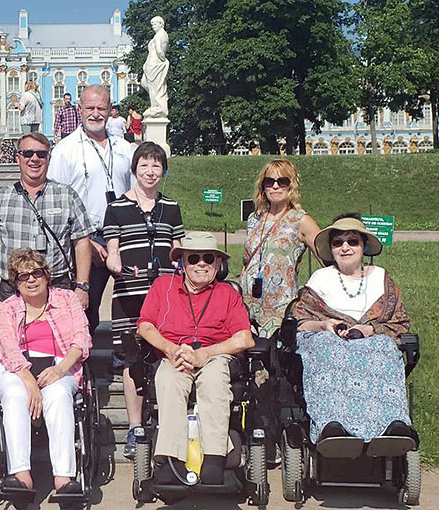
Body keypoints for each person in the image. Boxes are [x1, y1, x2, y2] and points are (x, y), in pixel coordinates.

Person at [137, 232, 254, 485]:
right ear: (182, 263)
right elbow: (145, 326)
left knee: (214, 378)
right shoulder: (162, 287)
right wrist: (169, 349)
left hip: (214, 355)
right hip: (175, 353)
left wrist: (205, 354)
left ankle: (214, 458)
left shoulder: (227, 293)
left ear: (217, 264)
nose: (201, 263)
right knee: (169, 378)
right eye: (194, 259)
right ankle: (170, 459)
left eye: (208, 258)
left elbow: (245, 338)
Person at [293, 214, 414, 444]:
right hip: (329, 340)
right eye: (338, 242)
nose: (345, 247)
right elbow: (299, 322)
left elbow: (398, 324)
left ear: (363, 246)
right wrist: (324, 325)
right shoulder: (321, 278)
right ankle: (332, 426)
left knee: (384, 346)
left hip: (370, 339)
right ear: (331, 248)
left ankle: (392, 424)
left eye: (352, 241)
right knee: (327, 346)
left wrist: (369, 330)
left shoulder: (381, 278)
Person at [0, 248, 91, 494]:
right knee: (15, 394)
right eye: (23, 276)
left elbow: (82, 339)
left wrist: (61, 368)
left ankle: (64, 479)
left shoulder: (67, 299)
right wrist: (29, 381)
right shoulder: (8, 308)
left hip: (59, 364)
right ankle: (21, 476)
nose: (31, 280)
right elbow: (7, 347)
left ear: (47, 275)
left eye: (36, 273)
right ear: (15, 282)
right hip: (14, 368)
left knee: (58, 395)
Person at [103, 142, 183, 458]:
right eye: (144, 165)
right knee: (130, 359)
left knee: (165, 354)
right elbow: (112, 251)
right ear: (135, 169)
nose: (150, 172)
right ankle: (136, 427)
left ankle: (167, 424)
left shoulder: (172, 207)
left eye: (156, 166)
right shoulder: (116, 208)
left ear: (163, 171)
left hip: (165, 296)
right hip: (129, 295)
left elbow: (178, 250)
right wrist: (115, 264)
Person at [0, 132, 94, 320]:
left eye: (41, 154)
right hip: (13, 289)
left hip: (57, 287)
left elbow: (82, 242)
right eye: (28, 153)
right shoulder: (0, 198)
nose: (35, 159)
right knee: (12, 346)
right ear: (18, 158)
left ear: (49, 158)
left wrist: (82, 286)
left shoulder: (67, 195)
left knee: (61, 346)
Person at [47, 84, 134, 334]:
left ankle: (128, 367)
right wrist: (84, 243)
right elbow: (57, 203)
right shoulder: (66, 149)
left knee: (130, 306)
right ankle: (82, 369)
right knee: (85, 311)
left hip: (122, 236)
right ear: (79, 109)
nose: (96, 113)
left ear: (110, 110)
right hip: (87, 239)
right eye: (90, 108)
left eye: (102, 108)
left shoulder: (123, 147)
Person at [240, 159, 320, 338]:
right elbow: (246, 262)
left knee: (274, 360)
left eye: (282, 181)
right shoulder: (254, 219)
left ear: (291, 185)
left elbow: (327, 259)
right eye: (269, 182)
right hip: (247, 305)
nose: (275, 187)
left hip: (279, 308)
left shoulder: (301, 220)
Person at [141, 16, 169, 117]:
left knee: (153, 87)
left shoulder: (160, 35)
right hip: (151, 64)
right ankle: (155, 105)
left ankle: (156, 107)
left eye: (155, 24)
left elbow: (159, 50)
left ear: (161, 24)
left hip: (155, 64)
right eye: (152, 24)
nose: (153, 26)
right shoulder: (161, 35)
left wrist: (164, 60)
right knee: (145, 83)